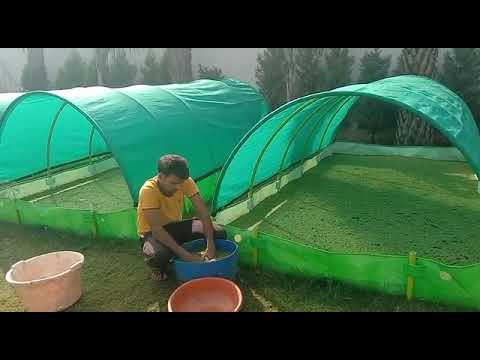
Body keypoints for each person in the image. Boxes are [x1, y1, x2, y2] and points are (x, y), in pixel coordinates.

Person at [137, 154, 226, 281]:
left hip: (175, 227)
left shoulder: (185, 181)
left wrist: (210, 244)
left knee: (218, 232)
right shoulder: (148, 190)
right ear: (161, 176)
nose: (178, 187)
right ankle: (158, 268)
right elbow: (157, 229)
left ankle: (175, 251)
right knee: (158, 255)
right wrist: (186, 255)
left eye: (181, 183)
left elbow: (204, 213)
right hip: (152, 233)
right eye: (173, 183)